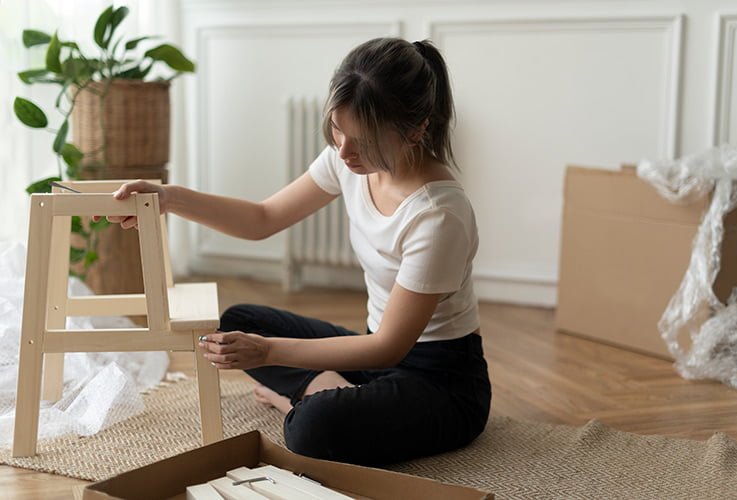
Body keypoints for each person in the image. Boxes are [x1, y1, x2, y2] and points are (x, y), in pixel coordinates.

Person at [107, 37, 491, 466]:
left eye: (361, 140)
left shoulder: (438, 215)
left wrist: (268, 352)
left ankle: (303, 400)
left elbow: (388, 347)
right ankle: (333, 390)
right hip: (374, 353)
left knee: (311, 428)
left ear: (416, 130)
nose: (343, 150)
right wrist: (169, 197)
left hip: (440, 381)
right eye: (337, 128)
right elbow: (263, 219)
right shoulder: (350, 161)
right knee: (238, 323)